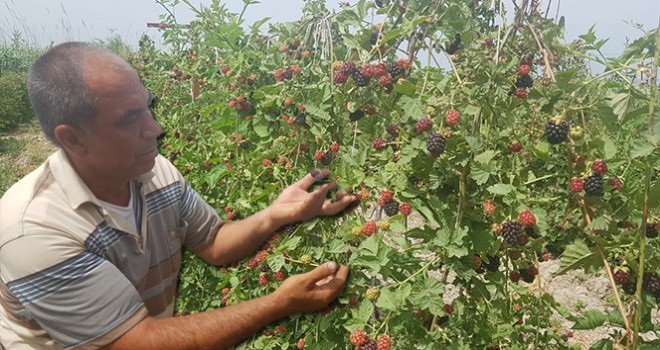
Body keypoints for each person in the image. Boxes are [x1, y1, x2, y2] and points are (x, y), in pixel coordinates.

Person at [0, 42, 354, 350]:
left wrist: (278, 214)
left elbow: (213, 242)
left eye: (147, 106)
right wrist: (278, 304)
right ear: (73, 139)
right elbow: (134, 343)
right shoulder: (31, 231)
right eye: (130, 118)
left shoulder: (154, 172)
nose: (155, 128)